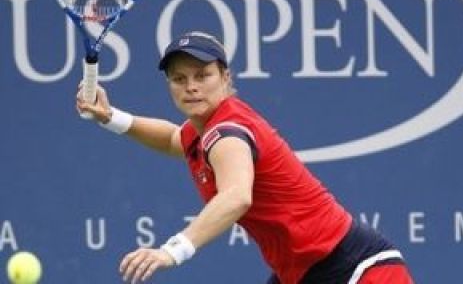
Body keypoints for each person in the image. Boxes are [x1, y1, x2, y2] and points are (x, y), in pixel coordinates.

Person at [76, 31, 414, 284]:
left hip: (357, 269)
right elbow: (172, 138)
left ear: (225, 77)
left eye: (202, 75)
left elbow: (236, 197)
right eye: (179, 79)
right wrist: (111, 117)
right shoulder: (203, 130)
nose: (191, 86)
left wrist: (172, 251)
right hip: (300, 273)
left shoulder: (228, 132)